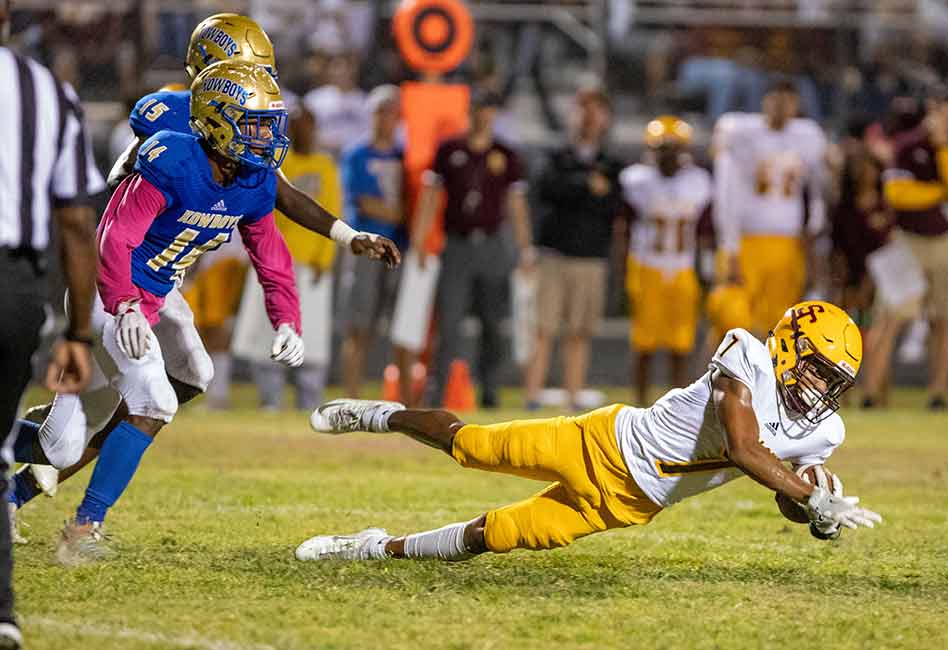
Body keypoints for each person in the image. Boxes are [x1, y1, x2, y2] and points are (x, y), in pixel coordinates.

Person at [8, 13, 399, 538]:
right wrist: (123, 299)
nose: (260, 85)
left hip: (164, 286)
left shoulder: (247, 161)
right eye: (244, 69)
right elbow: (116, 228)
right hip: (120, 283)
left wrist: (296, 307)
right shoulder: (173, 135)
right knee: (132, 410)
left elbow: (272, 227)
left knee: (181, 382)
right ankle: (81, 516)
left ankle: (49, 471)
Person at [296, 301, 882, 563]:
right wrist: (808, 493)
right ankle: (377, 414)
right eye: (815, 367)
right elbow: (743, 446)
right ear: (787, 346)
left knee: (494, 537)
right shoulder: (747, 352)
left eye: (833, 380)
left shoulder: (824, 429)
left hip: (630, 505)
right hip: (601, 442)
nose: (820, 387)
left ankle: (374, 546)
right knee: (471, 446)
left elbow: (787, 495)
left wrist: (817, 512)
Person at [16, 61, 304, 566]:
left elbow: (270, 254)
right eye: (255, 122)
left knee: (190, 375)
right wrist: (124, 303)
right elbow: (114, 239)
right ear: (219, 120)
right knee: (144, 406)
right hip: (111, 295)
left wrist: (287, 319)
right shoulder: (174, 159)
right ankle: (83, 527)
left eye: (269, 123)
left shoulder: (253, 180)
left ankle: (27, 486)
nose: (267, 136)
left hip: (159, 298)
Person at [0, 0, 103, 641]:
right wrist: (77, 332)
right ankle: (2, 612)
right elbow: (74, 221)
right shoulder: (46, 91)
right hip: (16, 290)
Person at [412, 89, 534, 408]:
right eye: (480, 109)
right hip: (457, 244)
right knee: (449, 321)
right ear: (471, 112)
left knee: (493, 322)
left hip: (493, 243)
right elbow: (430, 197)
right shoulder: (450, 150)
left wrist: (524, 247)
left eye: (490, 110)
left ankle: (489, 389)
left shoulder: (506, 155)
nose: (484, 116)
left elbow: (516, 204)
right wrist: (421, 240)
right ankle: (437, 393)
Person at [234, 104, 342, 410]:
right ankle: (271, 400)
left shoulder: (325, 165)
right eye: (298, 126)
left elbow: (333, 209)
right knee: (268, 329)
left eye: (309, 125)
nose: (304, 131)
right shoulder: (277, 163)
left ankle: (310, 402)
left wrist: (326, 259)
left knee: (314, 335)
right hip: (274, 260)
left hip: (312, 265)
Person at [524, 82, 623, 411]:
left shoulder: (612, 163)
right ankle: (532, 396)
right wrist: (586, 186)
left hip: (590, 256)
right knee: (543, 327)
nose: (589, 117)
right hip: (555, 252)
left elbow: (612, 205)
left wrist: (581, 190)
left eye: (596, 109)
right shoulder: (557, 156)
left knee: (579, 332)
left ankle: (572, 395)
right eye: (584, 108)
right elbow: (549, 189)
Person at [712, 78, 827, 337]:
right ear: (764, 101)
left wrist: (815, 225)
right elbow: (725, 190)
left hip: (787, 243)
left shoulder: (808, 136)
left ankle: (765, 378)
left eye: (788, 100)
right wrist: (729, 245)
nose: (781, 106)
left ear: (797, 105)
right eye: (775, 98)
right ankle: (712, 379)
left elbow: (818, 188)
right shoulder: (738, 131)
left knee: (778, 326)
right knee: (731, 323)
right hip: (746, 242)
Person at [863, 86, 948, 410]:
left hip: (941, 241)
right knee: (891, 317)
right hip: (907, 241)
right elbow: (897, 195)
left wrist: (941, 151)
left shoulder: (942, 149)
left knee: (942, 321)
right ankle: (872, 392)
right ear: (933, 108)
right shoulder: (908, 144)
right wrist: (938, 193)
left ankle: (938, 392)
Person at [620, 116, 713, 405]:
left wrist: (706, 270)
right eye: (662, 149)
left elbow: (705, 232)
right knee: (643, 345)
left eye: (673, 149)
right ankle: (639, 404)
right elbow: (622, 229)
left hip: (682, 267)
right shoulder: (636, 180)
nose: (668, 155)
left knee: (680, 345)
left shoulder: (698, 181)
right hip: (646, 266)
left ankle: (679, 408)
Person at [338, 85, 405, 398]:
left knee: (399, 329)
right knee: (359, 327)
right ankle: (352, 395)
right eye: (381, 112)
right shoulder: (357, 153)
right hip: (368, 247)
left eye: (392, 113)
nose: (386, 119)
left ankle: (398, 398)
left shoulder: (404, 155)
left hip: (398, 247)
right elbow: (363, 202)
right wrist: (402, 212)